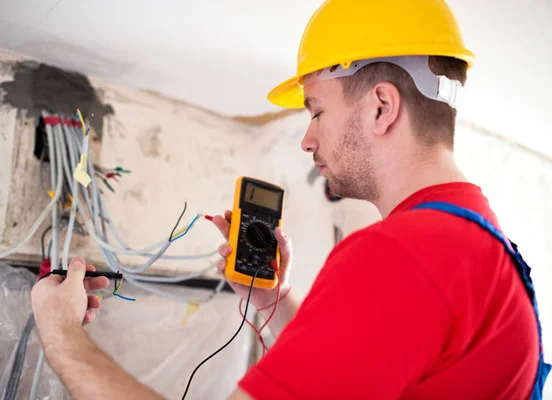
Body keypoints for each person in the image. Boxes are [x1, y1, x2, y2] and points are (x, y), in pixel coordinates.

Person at [31, 0, 550, 398]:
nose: (307, 138)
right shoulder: (478, 242)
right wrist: (267, 302)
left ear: (381, 107)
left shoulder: (403, 252)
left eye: (317, 111)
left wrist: (59, 334)